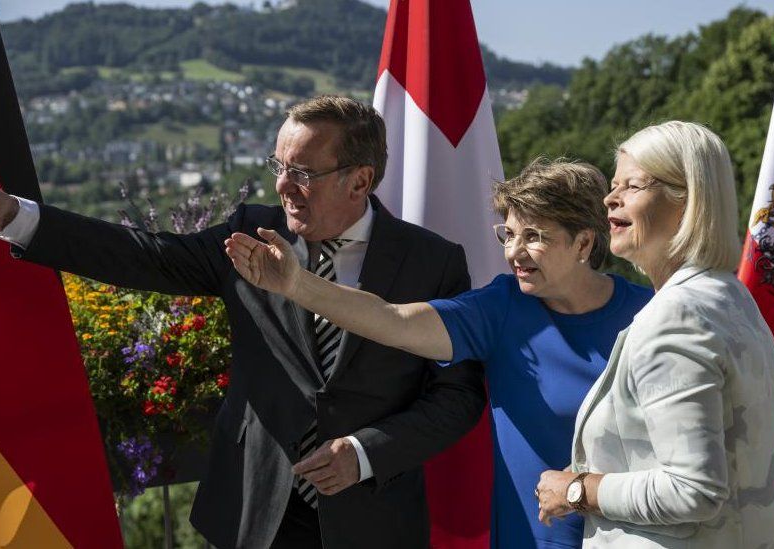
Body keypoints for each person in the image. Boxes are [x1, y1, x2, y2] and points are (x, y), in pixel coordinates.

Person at [0, 95, 486, 549]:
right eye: (278, 167)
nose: (283, 187)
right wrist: (15, 217)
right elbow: (146, 254)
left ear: (360, 181)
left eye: (303, 173)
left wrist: (366, 452)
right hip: (253, 511)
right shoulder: (249, 232)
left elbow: (457, 397)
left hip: (373, 518)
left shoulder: (432, 262)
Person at [224, 158, 654, 548]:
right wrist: (297, 285)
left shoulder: (650, 314)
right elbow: (394, 319)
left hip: (640, 537)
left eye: (534, 237)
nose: (513, 252)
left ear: (583, 244)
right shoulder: (502, 307)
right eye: (508, 233)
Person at [532, 121, 774, 547]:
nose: (610, 197)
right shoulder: (730, 296)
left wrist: (578, 489)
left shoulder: (677, 315)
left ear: (687, 202)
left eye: (632, 185)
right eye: (613, 184)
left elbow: (694, 490)